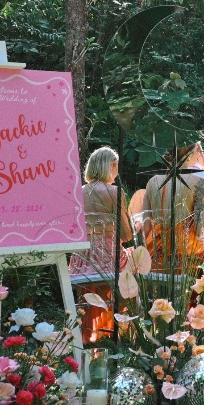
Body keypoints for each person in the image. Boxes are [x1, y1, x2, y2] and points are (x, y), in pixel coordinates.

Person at [72, 146, 132, 343]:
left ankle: (88, 339)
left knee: (87, 302)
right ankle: (117, 339)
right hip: (109, 257)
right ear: (110, 166)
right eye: (116, 166)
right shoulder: (115, 192)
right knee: (122, 292)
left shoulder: (79, 192)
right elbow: (126, 234)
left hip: (83, 258)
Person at [143, 141, 204, 259]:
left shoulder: (153, 181)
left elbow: (146, 227)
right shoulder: (198, 182)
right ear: (188, 157)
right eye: (197, 151)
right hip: (185, 257)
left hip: (156, 254)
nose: (199, 154)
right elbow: (200, 230)